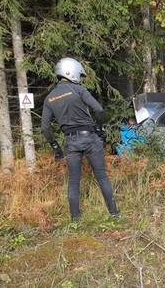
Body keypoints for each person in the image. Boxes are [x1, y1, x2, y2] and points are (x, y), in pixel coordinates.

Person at [41, 57, 119, 221]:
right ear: (71, 72)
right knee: (101, 176)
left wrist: (55, 147)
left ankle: (75, 219)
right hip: (89, 137)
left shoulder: (49, 98)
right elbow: (98, 109)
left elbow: (45, 128)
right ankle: (114, 213)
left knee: (74, 181)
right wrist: (100, 128)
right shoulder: (78, 89)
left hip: (70, 141)